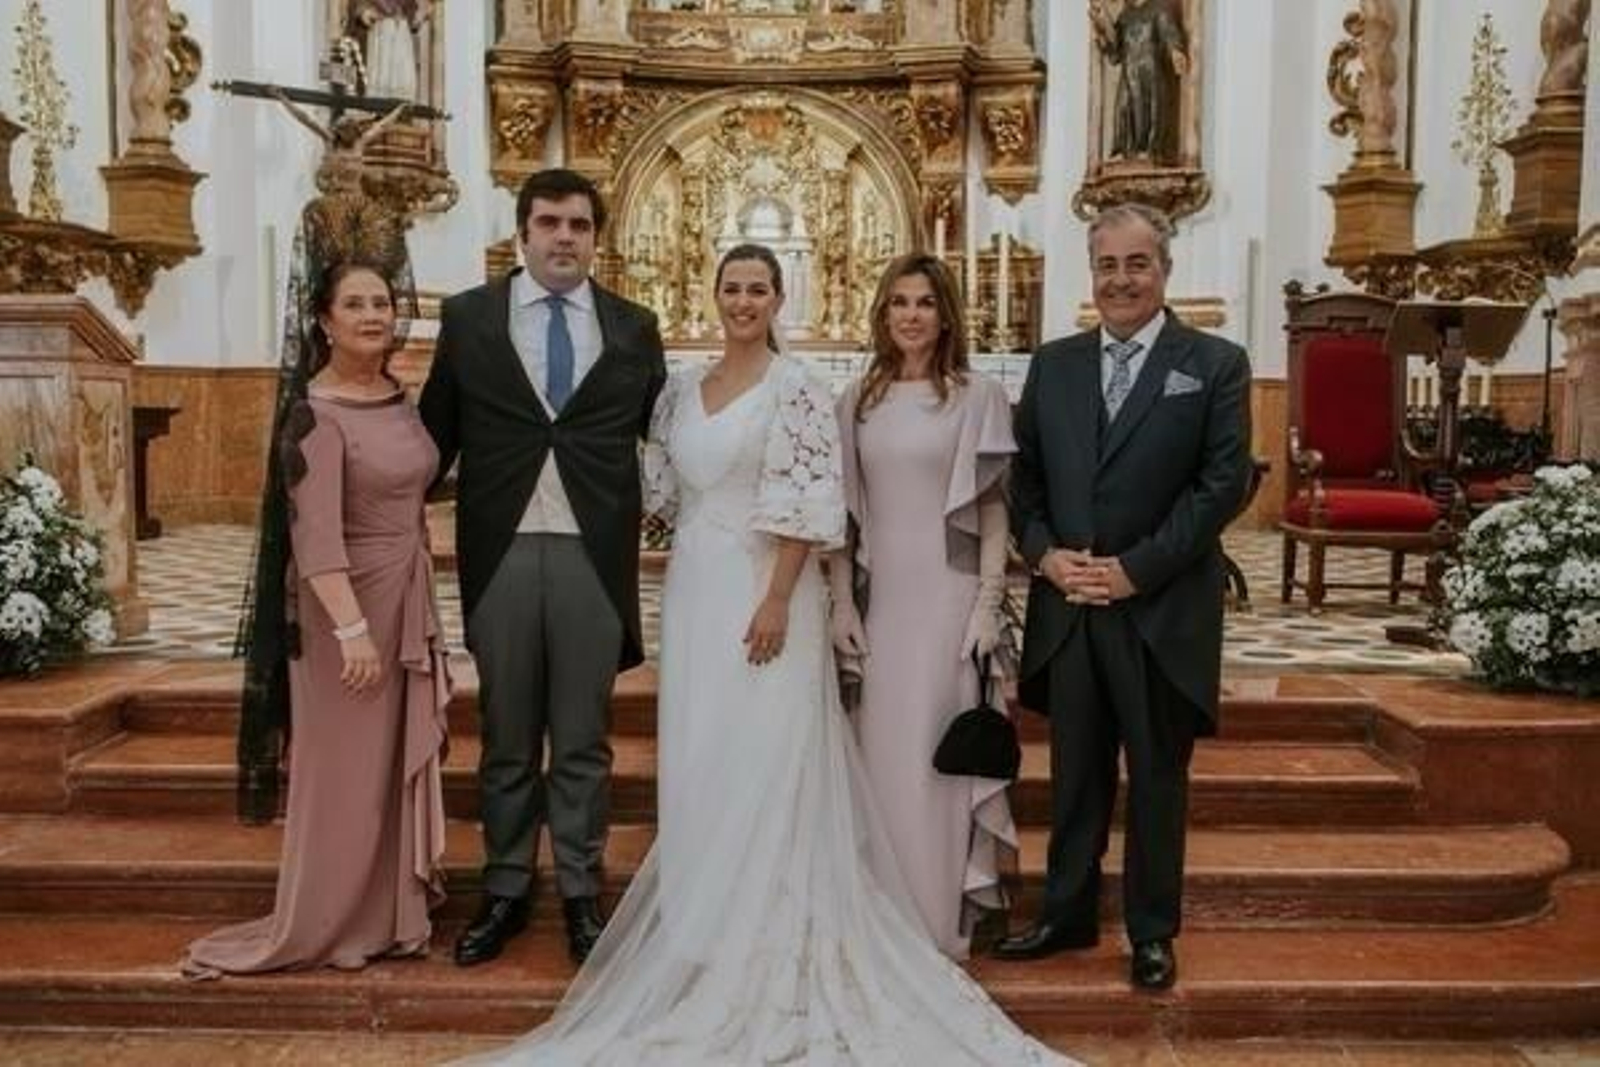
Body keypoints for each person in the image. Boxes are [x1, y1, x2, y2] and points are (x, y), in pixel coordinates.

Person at [453, 245, 1076, 1065]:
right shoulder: (679, 389)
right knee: (702, 750)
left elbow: (814, 505)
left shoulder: (801, 389)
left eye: (758, 288)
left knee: (766, 752)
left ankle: (765, 919)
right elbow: (661, 494)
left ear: (782, 296)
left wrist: (782, 596)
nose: (744, 300)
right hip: (695, 586)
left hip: (766, 591)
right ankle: (703, 920)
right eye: (732, 287)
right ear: (711, 295)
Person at [996, 203, 1252, 992]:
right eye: (1107, 264)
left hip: (1160, 607)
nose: (1121, 280)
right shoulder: (1056, 362)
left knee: (1156, 776)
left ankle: (1150, 929)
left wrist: (1136, 568)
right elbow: (1023, 479)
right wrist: (1043, 558)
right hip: (1070, 605)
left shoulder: (1214, 362)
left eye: (1137, 263)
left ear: (1165, 270)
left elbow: (1220, 487)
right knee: (1075, 774)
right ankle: (1066, 912)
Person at [418, 169, 667, 967]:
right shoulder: (469, 319)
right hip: (504, 548)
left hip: (595, 551)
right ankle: (505, 887)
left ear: (599, 237)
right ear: (522, 232)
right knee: (507, 733)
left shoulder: (635, 327)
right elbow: (432, 440)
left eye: (581, 225)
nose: (565, 237)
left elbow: (667, 443)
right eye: (551, 223)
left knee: (587, 735)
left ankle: (583, 890)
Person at [185, 260, 450, 977]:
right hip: (348, 615)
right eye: (354, 304)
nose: (372, 314)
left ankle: (391, 911)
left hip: (404, 602)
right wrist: (351, 628)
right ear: (325, 320)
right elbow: (315, 537)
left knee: (389, 765)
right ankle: (329, 921)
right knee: (345, 774)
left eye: (382, 302)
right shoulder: (316, 411)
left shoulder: (397, 397)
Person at [829, 252, 1017, 960]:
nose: (911, 314)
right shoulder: (856, 400)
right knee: (883, 757)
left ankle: (940, 921)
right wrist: (842, 602)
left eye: (925, 303)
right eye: (899, 302)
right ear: (883, 313)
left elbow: (993, 513)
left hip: (950, 600)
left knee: (941, 760)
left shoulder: (978, 396)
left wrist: (988, 606)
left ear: (945, 315)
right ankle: (880, 917)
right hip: (882, 605)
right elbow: (841, 519)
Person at [1090, 0, 1189, 161]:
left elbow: (1168, 32)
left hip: (1150, 72)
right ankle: (1122, 149)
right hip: (1128, 74)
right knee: (1123, 110)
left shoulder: (1158, 9)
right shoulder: (1125, 16)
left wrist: (1175, 50)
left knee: (1148, 109)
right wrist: (1102, 33)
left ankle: (1148, 149)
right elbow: (1115, 55)